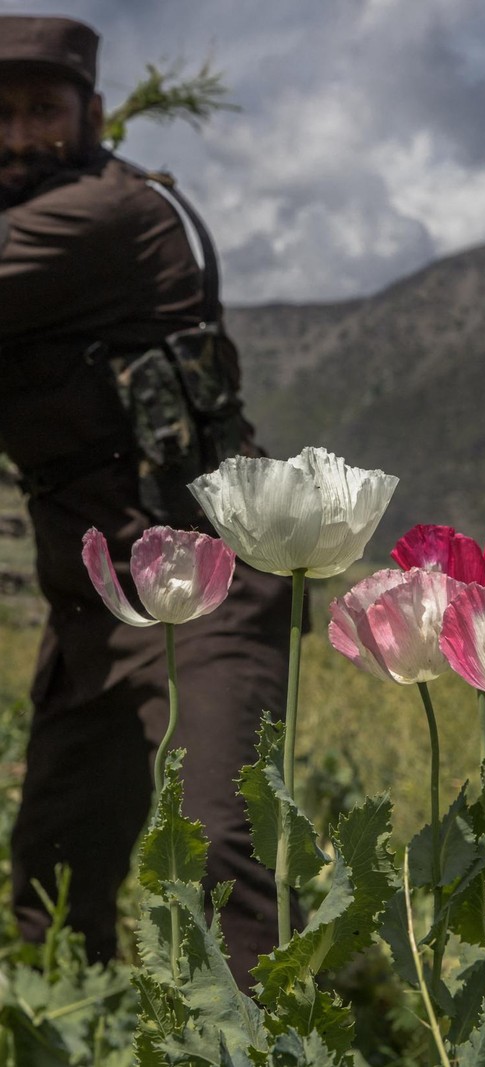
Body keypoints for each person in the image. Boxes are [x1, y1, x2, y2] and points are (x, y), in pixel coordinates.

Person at [0, 14, 302, 988]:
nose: (17, 135)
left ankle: (270, 1049)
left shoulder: (99, 214)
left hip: (203, 582)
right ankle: (63, 1040)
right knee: (51, 884)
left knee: (223, 857)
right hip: (92, 596)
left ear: (92, 115)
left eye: (42, 110)